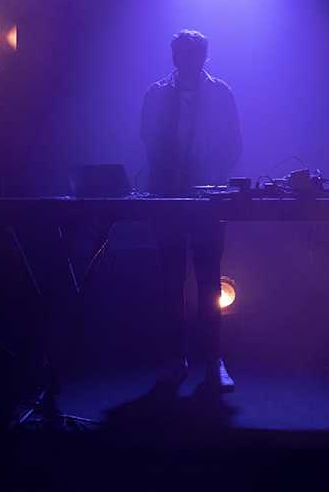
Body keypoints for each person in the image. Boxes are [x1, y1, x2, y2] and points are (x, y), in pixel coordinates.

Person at [140, 29, 242, 392]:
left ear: (202, 59)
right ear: (175, 58)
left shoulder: (219, 93)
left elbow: (233, 143)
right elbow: (149, 140)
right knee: (173, 280)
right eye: (185, 57)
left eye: (195, 58)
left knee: (207, 279)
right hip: (169, 197)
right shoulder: (157, 94)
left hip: (207, 197)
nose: (190, 63)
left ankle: (212, 361)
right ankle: (179, 359)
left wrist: (214, 175)